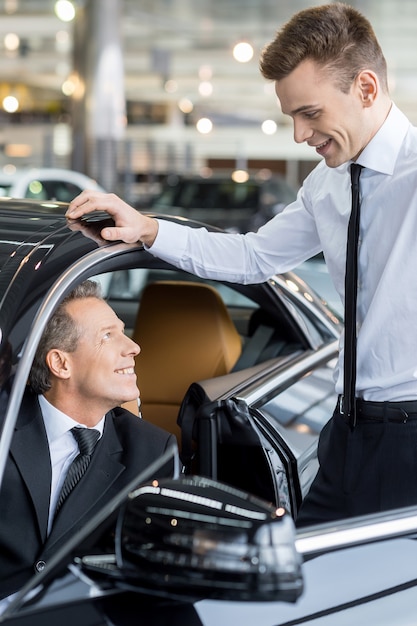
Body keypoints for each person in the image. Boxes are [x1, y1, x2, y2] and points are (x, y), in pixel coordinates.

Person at [67, 2, 417, 527]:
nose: (300, 135)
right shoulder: (325, 185)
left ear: (366, 88)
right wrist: (149, 228)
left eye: (311, 113)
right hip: (347, 432)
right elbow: (253, 257)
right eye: (292, 116)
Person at [0, 280, 177, 603]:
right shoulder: (4, 422)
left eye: (122, 331)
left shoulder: (154, 451)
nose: (133, 347)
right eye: (108, 336)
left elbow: (151, 568)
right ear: (61, 363)